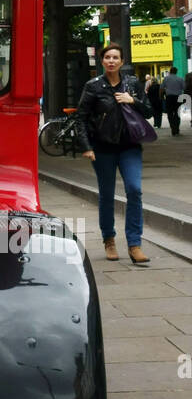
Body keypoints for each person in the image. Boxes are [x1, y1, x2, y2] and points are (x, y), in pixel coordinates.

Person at [75, 43, 151, 265]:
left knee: (135, 190)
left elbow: (149, 111)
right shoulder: (93, 86)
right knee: (106, 195)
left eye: (115, 57)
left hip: (130, 146)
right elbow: (81, 118)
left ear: (122, 61)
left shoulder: (133, 83)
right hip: (103, 148)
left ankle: (134, 245)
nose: (111, 61)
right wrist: (86, 147)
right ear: (102, 61)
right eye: (107, 57)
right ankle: (109, 240)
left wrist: (133, 100)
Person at [161, 67, 184, 136]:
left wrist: (161, 97)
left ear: (170, 71)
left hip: (169, 98)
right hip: (178, 98)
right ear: (176, 72)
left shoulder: (166, 79)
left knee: (170, 113)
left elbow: (161, 88)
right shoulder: (180, 79)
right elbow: (184, 88)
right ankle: (177, 128)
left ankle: (173, 128)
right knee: (177, 114)